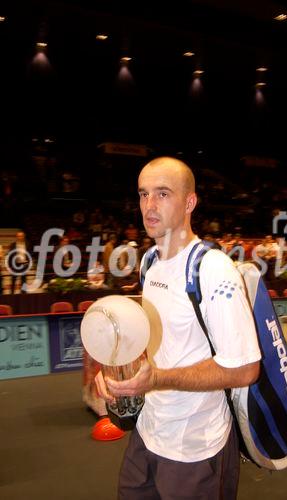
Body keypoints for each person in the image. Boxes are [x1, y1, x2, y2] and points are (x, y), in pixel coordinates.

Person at [95, 157, 261, 499]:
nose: (149, 206)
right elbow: (157, 343)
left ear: (190, 202)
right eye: (143, 194)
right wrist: (118, 372)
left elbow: (245, 369)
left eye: (162, 194)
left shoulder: (213, 270)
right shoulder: (149, 262)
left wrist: (159, 379)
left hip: (195, 448)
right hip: (148, 431)